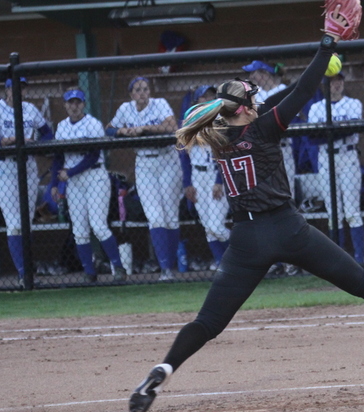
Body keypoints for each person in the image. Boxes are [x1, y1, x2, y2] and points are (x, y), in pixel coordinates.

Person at [128, 19, 364, 412]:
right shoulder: (263, 128)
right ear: (245, 108)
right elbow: (302, 91)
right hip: (287, 228)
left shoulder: (217, 134)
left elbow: (279, 97)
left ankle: (164, 367)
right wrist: (326, 47)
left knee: (208, 322)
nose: (258, 102)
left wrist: (322, 60)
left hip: (246, 239)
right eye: (251, 99)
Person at [106, 76, 182, 281]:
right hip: (144, 163)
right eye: (137, 90)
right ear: (131, 94)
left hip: (167, 160)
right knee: (155, 217)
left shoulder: (159, 104)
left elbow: (171, 126)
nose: (142, 93)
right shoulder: (126, 108)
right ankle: (165, 268)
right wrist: (124, 130)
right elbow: (109, 129)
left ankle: (170, 267)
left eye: (145, 89)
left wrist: (145, 129)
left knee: (171, 216)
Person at [49, 88, 127, 283]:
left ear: (83, 104)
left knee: (99, 225)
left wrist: (69, 173)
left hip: (95, 177)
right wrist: (54, 184)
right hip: (73, 181)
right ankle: (89, 272)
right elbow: (58, 158)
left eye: (77, 102)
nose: (74, 106)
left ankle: (118, 267)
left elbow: (93, 156)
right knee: (80, 230)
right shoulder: (62, 127)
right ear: (65, 105)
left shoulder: (93, 124)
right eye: (70, 102)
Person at [0, 77, 54, 286]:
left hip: (28, 166)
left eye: (22, 87)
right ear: (7, 89)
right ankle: (24, 274)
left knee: (26, 223)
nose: (19, 91)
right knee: (14, 224)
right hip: (5, 167)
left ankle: (28, 271)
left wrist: (36, 145)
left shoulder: (30, 109)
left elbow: (47, 134)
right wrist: (12, 140)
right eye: (15, 87)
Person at [242, 59, 299, 276]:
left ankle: (292, 258)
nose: (252, 77)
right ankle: (274, 258)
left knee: (285, 201)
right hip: (259, 154)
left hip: (281, 150)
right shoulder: (254, 98)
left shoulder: (282, 91)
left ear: (265, 73)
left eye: (255, 73)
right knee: (265, 204)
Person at [307, 71, 364, 264]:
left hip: (348, 157)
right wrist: (340, 129)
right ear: (325, 84)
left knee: (352, 212)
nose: (336, 84)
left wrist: (329, 131)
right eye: (332, 81)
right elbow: (313, 138)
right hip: (326, 159)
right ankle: (338, 262)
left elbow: (354, 128)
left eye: (339, 80)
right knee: (334, 213)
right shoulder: (316, 108)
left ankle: (359, 260)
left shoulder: (353, 103)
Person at [179, 85, 230, 270]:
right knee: (208, 227)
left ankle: (245, 253)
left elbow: (225, 153)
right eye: (204, 96)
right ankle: (223, 263)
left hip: (217, 174)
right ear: (197, 101)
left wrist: (219, 181)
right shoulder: (190, 121)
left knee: (216, 226)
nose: (208, 99)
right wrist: (187, 183)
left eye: (211, 95)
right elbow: (184, 155)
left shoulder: (222, 120)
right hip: (197, 176)